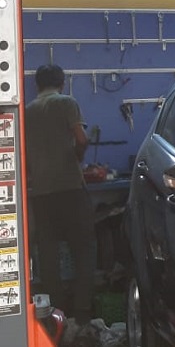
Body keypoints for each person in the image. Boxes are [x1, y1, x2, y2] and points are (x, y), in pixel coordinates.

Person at [25, 64, 98, 344]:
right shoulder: (67, 103)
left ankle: (55, 317)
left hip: (41, 193)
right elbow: (81, 138)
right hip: (70, 189)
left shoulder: (27, 111)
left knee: (48, 253)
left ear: (37, 85)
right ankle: (82, 315)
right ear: (62, 83)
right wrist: (77, 157)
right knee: (84, 248)